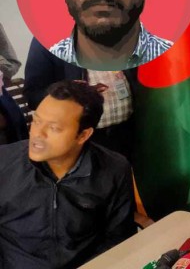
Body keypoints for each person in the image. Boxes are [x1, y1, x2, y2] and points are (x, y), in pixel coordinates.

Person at [0, 80, 135, 268]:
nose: (38, 134)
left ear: (83, 135)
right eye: (37, 121)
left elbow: (118, 238)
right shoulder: (4, 162)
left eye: (54, 128)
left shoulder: (113, 169)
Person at [25, 37, 137, 160]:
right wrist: (70, 91)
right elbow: (33, 96)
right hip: (84, 139)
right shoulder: (46, 39)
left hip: (128, 130)